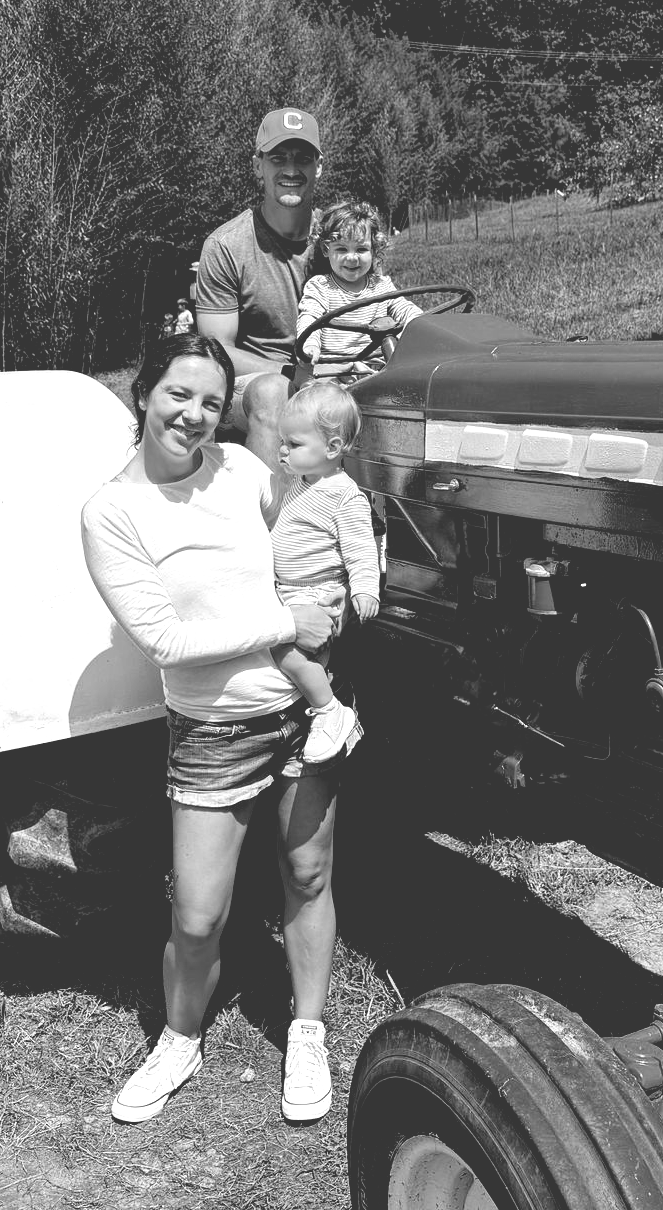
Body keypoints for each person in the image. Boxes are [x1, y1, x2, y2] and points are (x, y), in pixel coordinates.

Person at [80, 333, 353, 1128]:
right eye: (178, 395)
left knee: (308, 877)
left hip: (304, 711)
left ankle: (307, 1029)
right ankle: (180, 1037)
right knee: (197, 915)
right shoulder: (112, 512)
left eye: (210, 401)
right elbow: (164, 641)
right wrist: (283, 619)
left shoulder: (242, 471)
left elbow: (305, 526)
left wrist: (335, 592)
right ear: (143, 394)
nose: (194, 415)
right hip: (213, 730)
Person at [193, 108, 323, 467]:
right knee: (274, 393)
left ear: (319, 167)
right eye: (278, 157)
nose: (292, 170)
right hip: (251, 385)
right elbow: (217, 349)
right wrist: (292, 373)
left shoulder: (343, 243)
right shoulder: (226, 246)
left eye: (303, 158)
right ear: (258, 166)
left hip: (331, 375)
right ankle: (272, 519)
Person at [269, 381, 378, 764]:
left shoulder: (344, 496)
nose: (282, 449)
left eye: (294, 444)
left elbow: (362, 549)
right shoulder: (302, 483)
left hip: (316, 593)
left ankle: (331, 712)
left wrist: (365, 590)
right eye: (283, 441)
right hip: (290, 590)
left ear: (332, 449)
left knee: (287, 653)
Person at [296, 201, 424, 384]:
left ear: (374, 249)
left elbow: (405, 309)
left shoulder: (382, 286)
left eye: (361, 249)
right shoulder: (320, 287)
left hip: (377, 369)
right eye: (341, 249)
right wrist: (309, 344)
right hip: (333, 371)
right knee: (325, 401)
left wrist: (421, 325)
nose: (352, 257)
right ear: (326, 249)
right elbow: (309, 316)